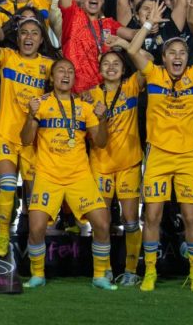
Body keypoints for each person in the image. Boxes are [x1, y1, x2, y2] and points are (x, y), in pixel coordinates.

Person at [122, 0, 193, 292]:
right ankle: (150, 271)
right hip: (158, 155)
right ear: (163, 58)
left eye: (182, 52)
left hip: (188, 156)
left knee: (191, 216)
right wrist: (149, 24)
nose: (177, 56)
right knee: (152, 215)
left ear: (186, 58)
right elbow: (130, 49)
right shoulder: (153, 74)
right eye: (171, 52)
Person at [21, 59, 116, 291]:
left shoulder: (84, 107)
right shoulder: (40, 104)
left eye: (71, 71)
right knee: (35, 228)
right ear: (52, 78)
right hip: (47, 175)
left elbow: (101, 142)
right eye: (61, 71)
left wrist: (103, 119)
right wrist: (30, 116)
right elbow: (25, 140)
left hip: (78, 176)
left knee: (103, 224)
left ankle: (100, 275)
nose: (66, 74)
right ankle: (37, 274)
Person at [0, 9, 54, 257]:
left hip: (33, 140)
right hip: (5, 135)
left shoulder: (48, 67)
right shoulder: (8, 57)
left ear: (42, 40)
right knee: (8, 187)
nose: (29, 37)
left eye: (34, 33)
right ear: (18, 37)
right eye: (24, 33)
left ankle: (33, 244)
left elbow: (67, 84)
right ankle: (2, 233)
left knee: (33, 196)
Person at [86, 48, 146, 287]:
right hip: (100, 164)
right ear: (99, 70)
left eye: (116, 64)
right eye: (106, 64)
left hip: (129, 163)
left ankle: (131, 270)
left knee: (131, 220)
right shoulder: (89, 96)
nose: (111, 67)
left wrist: (125, 42)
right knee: (101, 222)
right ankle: (103, 269)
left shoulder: (132, 86)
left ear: (123, 70)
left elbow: (148, 62)